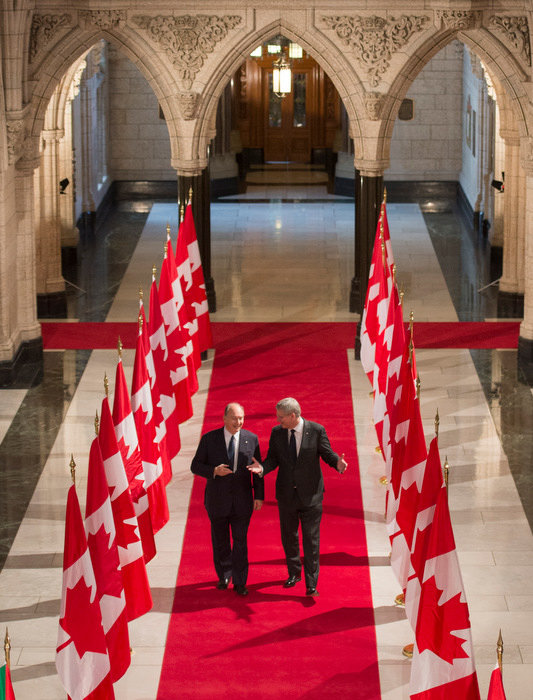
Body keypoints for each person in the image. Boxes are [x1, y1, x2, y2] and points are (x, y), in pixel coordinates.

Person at [248, 397, 347, 596]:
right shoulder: (277, 433)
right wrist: (262, 469)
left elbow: (327, 453)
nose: (278, 421)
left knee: (311, 540)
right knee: (289, 538)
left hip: (311, 497)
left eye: (281, 417)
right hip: (286, 496)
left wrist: (337, 463)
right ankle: (294, 573)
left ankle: (312, 583)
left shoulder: (316, 430)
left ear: (293, 415)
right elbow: (273, 459)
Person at [191, 402, 263, 596]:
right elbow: (195, 466)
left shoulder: (251, 439)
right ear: (224, 418)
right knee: (220, 540)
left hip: (242, 501)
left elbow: (257, 469)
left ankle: (240, 581)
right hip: (217, 500)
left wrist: (259, 496)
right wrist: (213, 471)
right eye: (234, 418)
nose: (238, 422)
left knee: (240, 541)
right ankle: (224, 574)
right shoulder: (209, 439)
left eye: (241, 418)